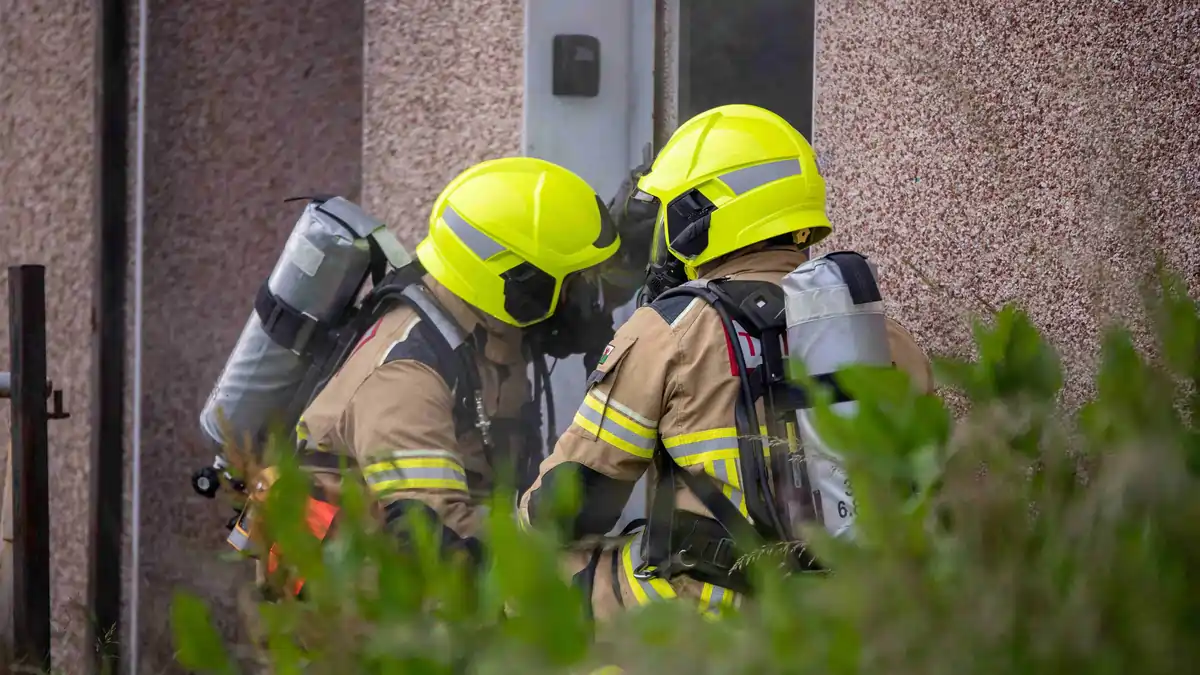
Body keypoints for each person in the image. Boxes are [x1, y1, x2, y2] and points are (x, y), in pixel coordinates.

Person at [517, 104, 935, 620]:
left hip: (709, 613)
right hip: (853, 614)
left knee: (524, 578)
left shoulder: (668, 330)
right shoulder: (882, 338)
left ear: (697, 214)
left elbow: (575, 505)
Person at [241, 156, 623, 598]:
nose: (584, 299)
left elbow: (566, 321)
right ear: (521, 288)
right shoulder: (408, 379)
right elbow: (438, 545)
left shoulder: (481, 315)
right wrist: (590, 573)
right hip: (366, 617)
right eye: (574, 284)